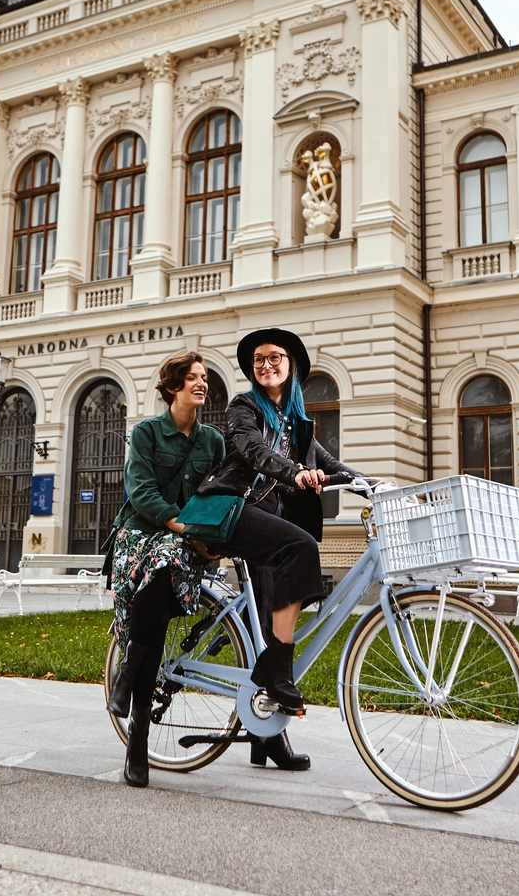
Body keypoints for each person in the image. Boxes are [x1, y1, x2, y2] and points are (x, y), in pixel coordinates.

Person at [203, 328, 358, 772]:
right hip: (236, 509)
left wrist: (369, 483)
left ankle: (266, 734)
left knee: (278, 607)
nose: (266, 365)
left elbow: (327, 463)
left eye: (275, 358)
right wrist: (294, 473)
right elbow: (252, 451)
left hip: (273, 520)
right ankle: (276, 673)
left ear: (292, 366)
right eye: (258, 360)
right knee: (302, 549)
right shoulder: (243, 407)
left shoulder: (295, 420)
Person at [104, 351, 225, 788]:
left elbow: (218, 493)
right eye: (192, 377)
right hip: (139, 536)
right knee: (157, 590)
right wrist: (183, 526)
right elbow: (140, 491)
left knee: (160, 587)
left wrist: (209, 538)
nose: (202, 383)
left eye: (205, 378)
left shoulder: (213, 441)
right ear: (173, 387)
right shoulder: (146, 432)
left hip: (182, 546)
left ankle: (128, 681)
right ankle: (137, 737)